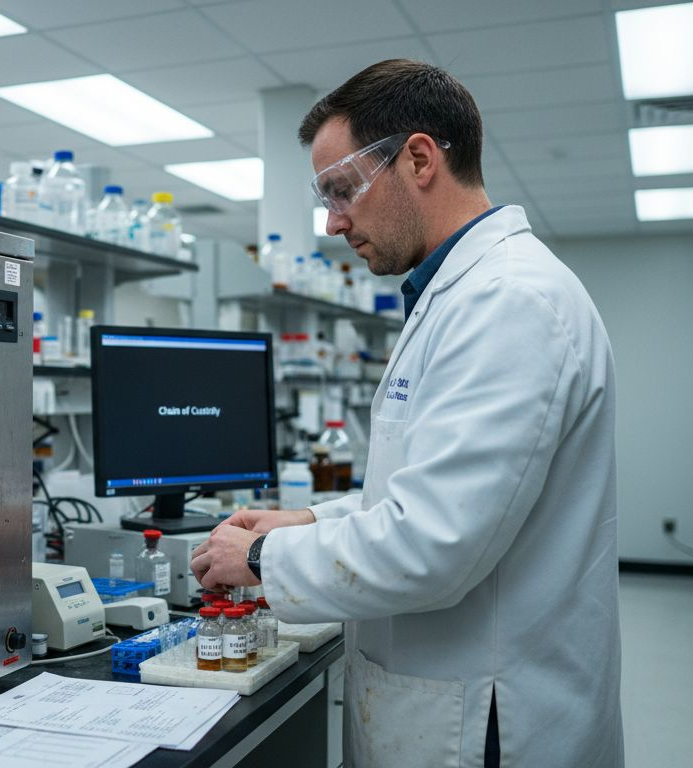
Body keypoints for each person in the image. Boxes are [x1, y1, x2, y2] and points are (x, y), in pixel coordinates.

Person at [191, 59, 622, 768]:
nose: (332, 222)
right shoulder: (459, 295)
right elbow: (432, 496)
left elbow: (434, 544)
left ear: (419, 158)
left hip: (490, 720)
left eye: (340, 190)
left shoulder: (508, 302)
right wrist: (311, 521)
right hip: (454, 695)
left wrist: (265, 556)